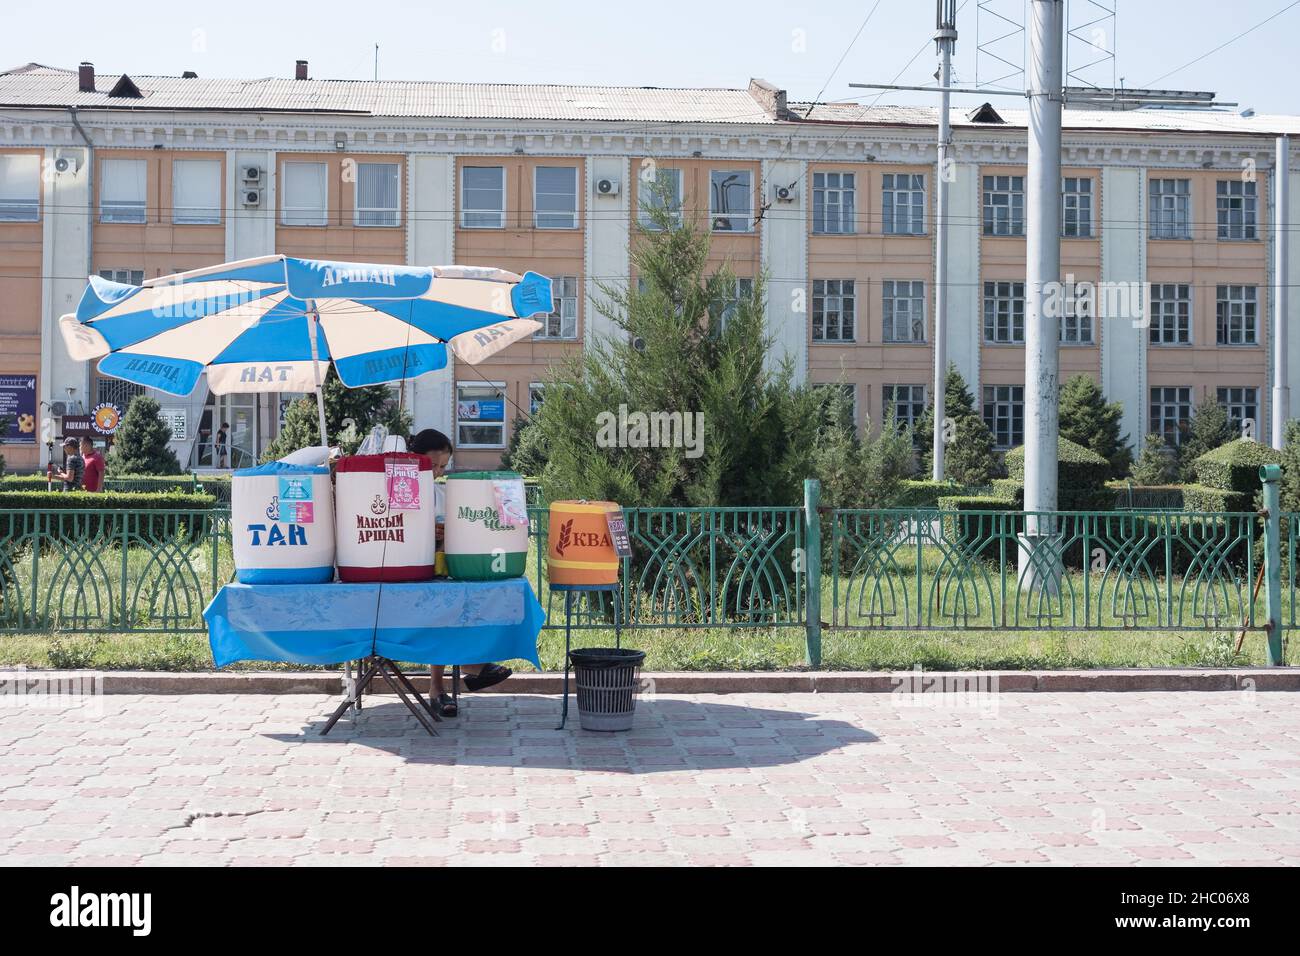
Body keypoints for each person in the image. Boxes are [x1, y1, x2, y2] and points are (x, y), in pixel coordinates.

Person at [408, 427, 512, 717]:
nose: (438, 472)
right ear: (415, 460)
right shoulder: (400, 489)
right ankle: (462, 672)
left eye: (443, 466)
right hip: (410, 572)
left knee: (459, 607)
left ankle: (465, 669)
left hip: (441, 569)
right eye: (432, 466)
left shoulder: (441, 492)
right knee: (439, 615)